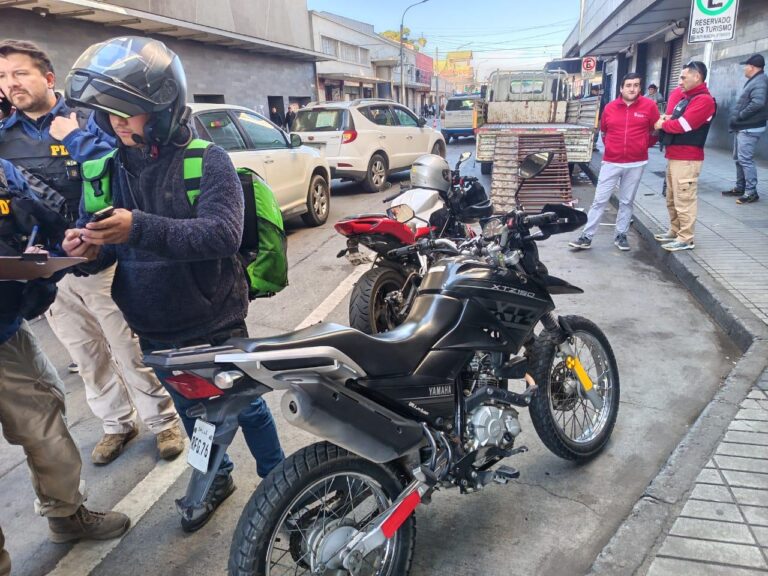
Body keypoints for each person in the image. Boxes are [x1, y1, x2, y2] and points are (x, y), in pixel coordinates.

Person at [62, 36, 285, 532]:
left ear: (162, 108)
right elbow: (110, 246)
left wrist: (137, 226)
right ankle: (216, 478)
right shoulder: (106, 169)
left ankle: (281, 482)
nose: (117, 121)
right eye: (109, 112)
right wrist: (86, 250)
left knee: (245, 407)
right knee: (190, 409)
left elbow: (223, 235)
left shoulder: (208, 160)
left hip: (215, 320)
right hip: (152, 322)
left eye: (129, 110)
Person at [0, 39, 183, 465]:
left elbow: (120, 168)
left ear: (47, 78)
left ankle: (164, 421)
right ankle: (117, 423)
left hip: (101, 259)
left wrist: (77, 137)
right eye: (4, 78)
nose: (12, 84)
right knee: (85, 356)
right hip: (47, 268)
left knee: (128, 347)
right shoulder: (4, 139)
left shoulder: (89, 120)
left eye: (20, 73)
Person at [0, 158, 130, 576]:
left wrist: (65, 248)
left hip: (6, 331)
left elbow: (49, 224)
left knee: (46, 423)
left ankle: (66, 514)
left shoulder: (6, 172)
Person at [569, 73, 659, 251]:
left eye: (635, 85)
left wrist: (642, 146)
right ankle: (587, 236)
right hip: (611, 162)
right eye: (628, 85)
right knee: (599, 200)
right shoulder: (610, 108)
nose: (632, 89)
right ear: (621, 88)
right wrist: (612, 148)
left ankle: (621, 234)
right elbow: (604, 132)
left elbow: (655, 131)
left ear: (639, 88)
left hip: (636, 163)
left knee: (627, 201)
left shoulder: (649, 106)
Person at [653, 61, 717, 252]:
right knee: (672, 198)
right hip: (675, 155)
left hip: (688, 158)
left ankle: (686, 238)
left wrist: (662, 124)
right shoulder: (687, 98)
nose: (679, 82)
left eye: (683, 77)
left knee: (684, 199)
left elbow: (681, 125)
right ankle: (675, 231)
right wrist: (667, 120)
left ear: (696, 77)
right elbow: (672, 116)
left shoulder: (703, 100)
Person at [722, 53, 767, 204]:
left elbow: (758, 103)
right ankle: (740, 187)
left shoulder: (759, 82)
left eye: (746, 66)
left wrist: (740, 115)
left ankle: (751, 192)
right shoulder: (756, 80)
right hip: (743, 127)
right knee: (738, 158)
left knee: (745, 159)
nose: (744, 69)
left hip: (749, 127)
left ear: (752, 67)